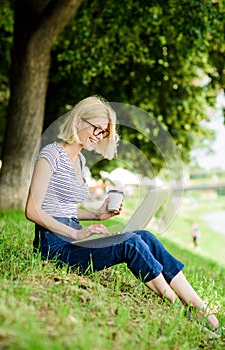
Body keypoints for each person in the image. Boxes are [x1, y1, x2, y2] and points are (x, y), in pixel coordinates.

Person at [25, 96, 219, 332]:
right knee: (130, 243)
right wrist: (76, 234)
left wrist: (97, 215)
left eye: (103, 132)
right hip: (54, 248)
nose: (98, 135)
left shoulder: (80, 161)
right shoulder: (51, 155)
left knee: (144, 236)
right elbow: (33, 210)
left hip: (70, 242)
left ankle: (199, 307)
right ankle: (180, 310)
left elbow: (62, 208)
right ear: (78, 121)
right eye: (96, 128)